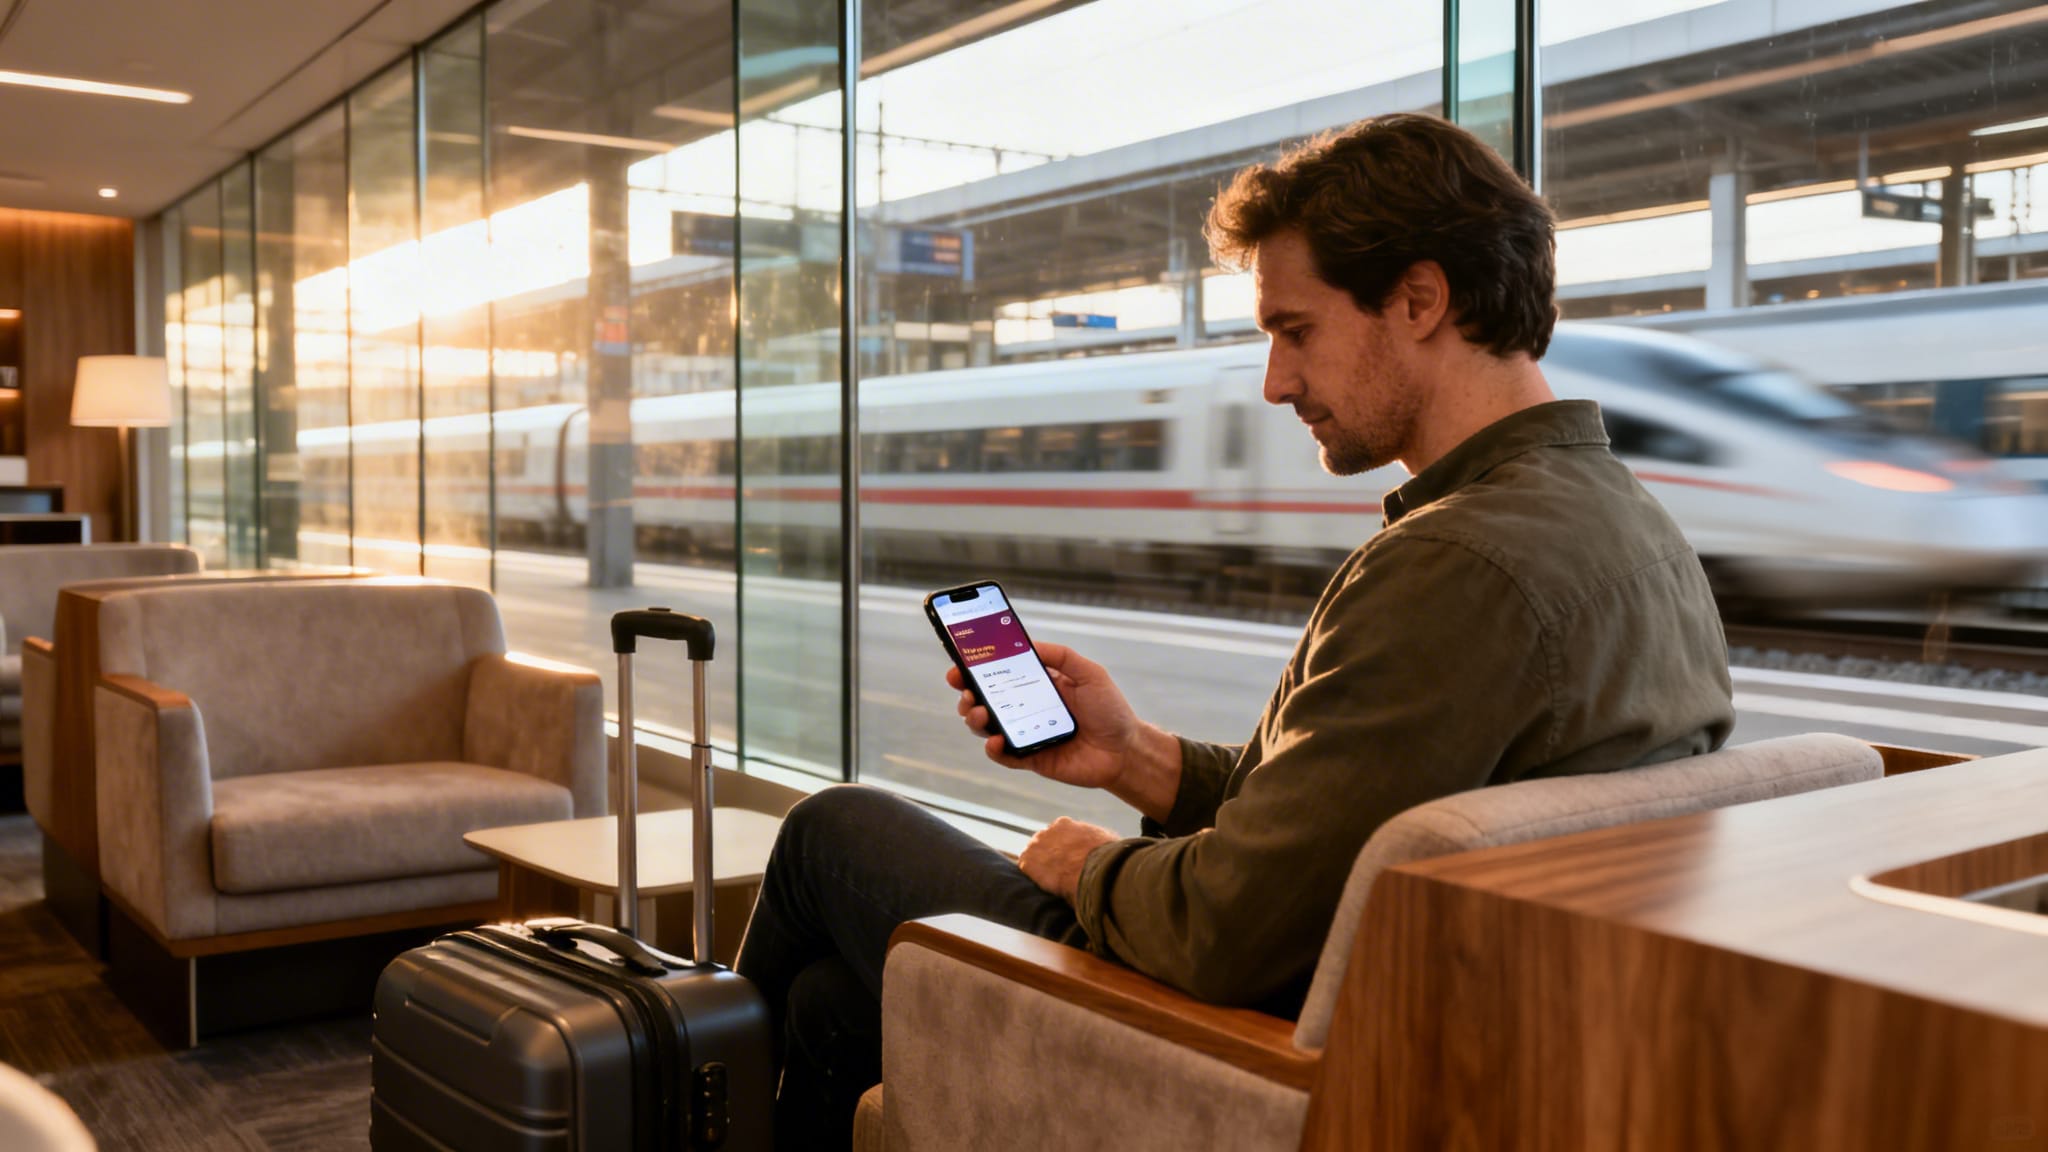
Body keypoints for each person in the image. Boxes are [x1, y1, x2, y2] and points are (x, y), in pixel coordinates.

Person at [733, 112, 1735, 1149]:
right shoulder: (1630, 525)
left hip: (1256, 1050)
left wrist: (1083, 867)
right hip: (1442, 1033)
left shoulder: (1453, 566)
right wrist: (1134, 758)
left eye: (1293, 329)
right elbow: (1346, 814)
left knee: (830, 831)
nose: (1274, 381)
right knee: (824, 1009)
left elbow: (1223, 927)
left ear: (1420, 299)